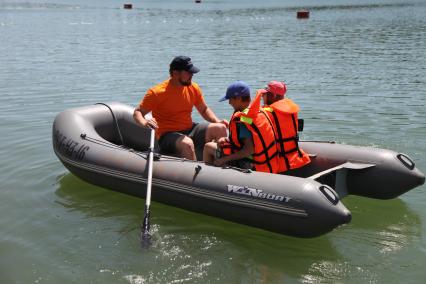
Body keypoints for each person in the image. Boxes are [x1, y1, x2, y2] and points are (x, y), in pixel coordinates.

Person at [133, 56, 228, 160]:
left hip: (190, 128)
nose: (192, 75)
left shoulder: (193, 87)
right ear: (175, 73)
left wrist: (217, 121)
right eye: (188, 72)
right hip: (167, 135)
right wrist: (145, 123)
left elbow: (204, 110)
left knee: (220, 128)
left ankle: (223, 166)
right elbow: (138, 112)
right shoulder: (157, 93)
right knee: (187, 144)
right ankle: (194, 173)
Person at [203, 81, 281, 173]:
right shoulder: (257, 112)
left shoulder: (243, 120)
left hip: (248, 163)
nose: (229, 103)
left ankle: (207, 177)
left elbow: (249, 150)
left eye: (230, 99)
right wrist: (226, 139)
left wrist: (225, 159)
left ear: (239, 98)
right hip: (264, 160)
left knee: (208, 147)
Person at [259, 81, 311, 173]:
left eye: (265, 94)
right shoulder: (291, 111)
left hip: (280, 165)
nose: (262, 96)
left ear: (274, 96)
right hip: (296, 160)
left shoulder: (268, 113)